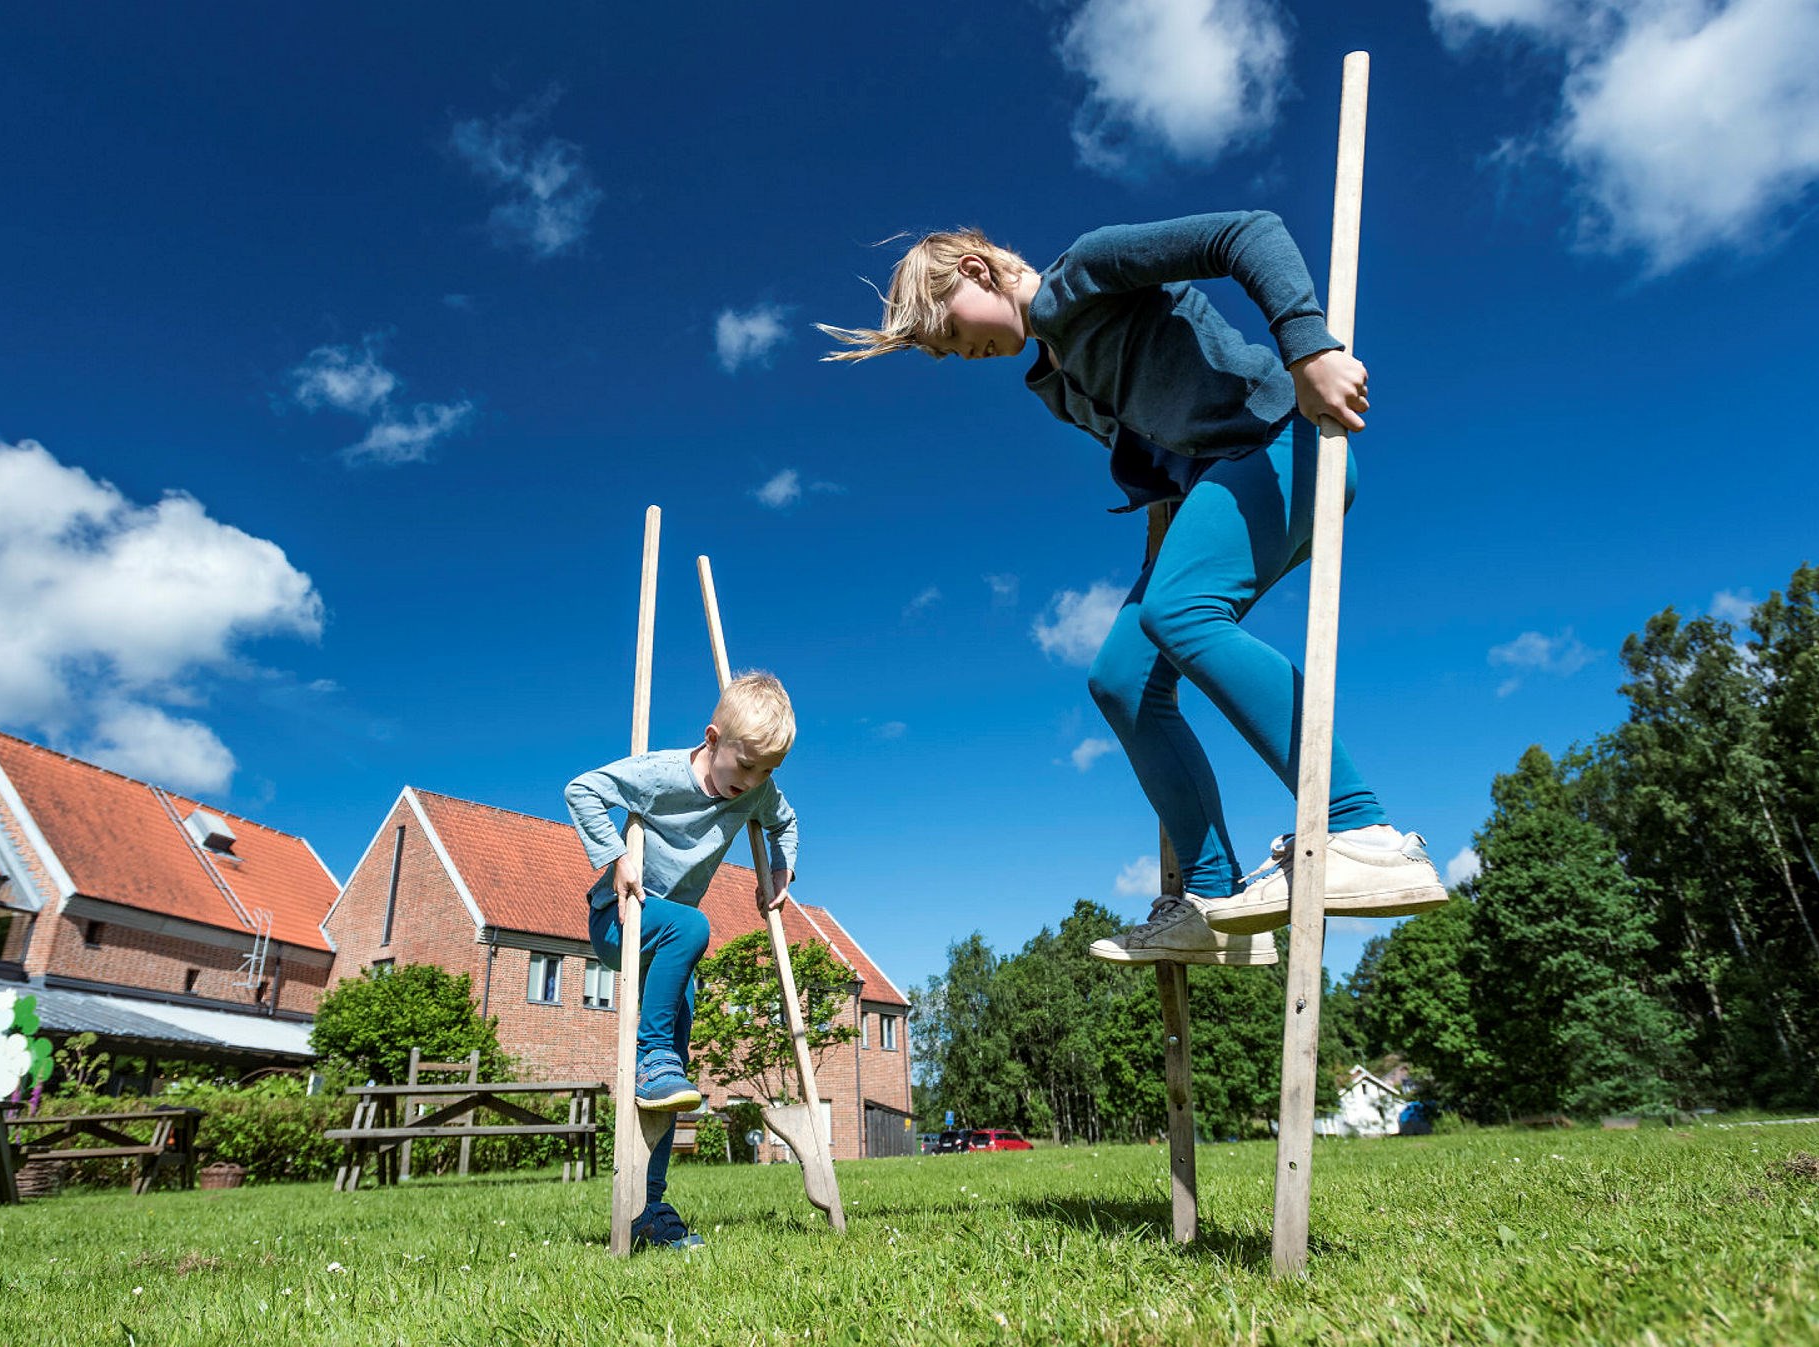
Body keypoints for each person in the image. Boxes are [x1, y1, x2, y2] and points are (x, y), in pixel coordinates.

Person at [820, 212, 1445, 963]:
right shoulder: (1052, 380)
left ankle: (1359, 829)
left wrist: (1308, 349)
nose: (963, 354)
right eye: (948, 353)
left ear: (976, 272)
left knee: (1182, 611)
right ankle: (1212, 901)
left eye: (951, 332)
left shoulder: (1086, 268)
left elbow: (1248, 232)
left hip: (1283, 438)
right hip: (1221, 481)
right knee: (1119, 679)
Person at [564, 672, 801, 1251]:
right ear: (712, 739)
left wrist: (781, 865)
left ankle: (649, 1204)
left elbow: (785, 822)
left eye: (768, 772)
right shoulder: (660, 774)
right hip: (623, 920)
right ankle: (653, 1056)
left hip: (669, 947)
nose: (754, 783)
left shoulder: (756, 789)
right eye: (747, 767)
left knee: (671, 1076)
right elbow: (582, 789)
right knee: (694, 927)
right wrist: (617, 855)